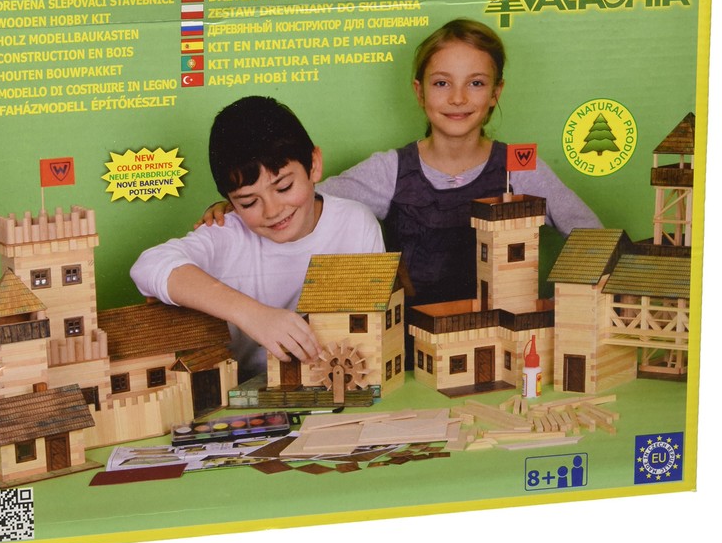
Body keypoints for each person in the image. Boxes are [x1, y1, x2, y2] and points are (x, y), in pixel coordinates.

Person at [198, 19, 601, 310]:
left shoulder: (520, 167)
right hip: (410, 343)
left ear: (496, 92)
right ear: (419, 92)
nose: (458, 98)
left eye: (476, 83)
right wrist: (235, 206)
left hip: (505, 330)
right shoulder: (389, 169)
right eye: (442, 83)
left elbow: (591, 236)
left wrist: (569, 306)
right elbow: (304, 198)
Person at [131, 95, 385, 378]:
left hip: (334, 379)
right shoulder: (227, 231)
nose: (273, 211)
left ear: (314, 164)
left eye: (284, 187)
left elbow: (369, 330)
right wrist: (253, 315)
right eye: (249, 202)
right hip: (244, 388)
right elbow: (149, 266)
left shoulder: (356, 223)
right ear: (230, 201)